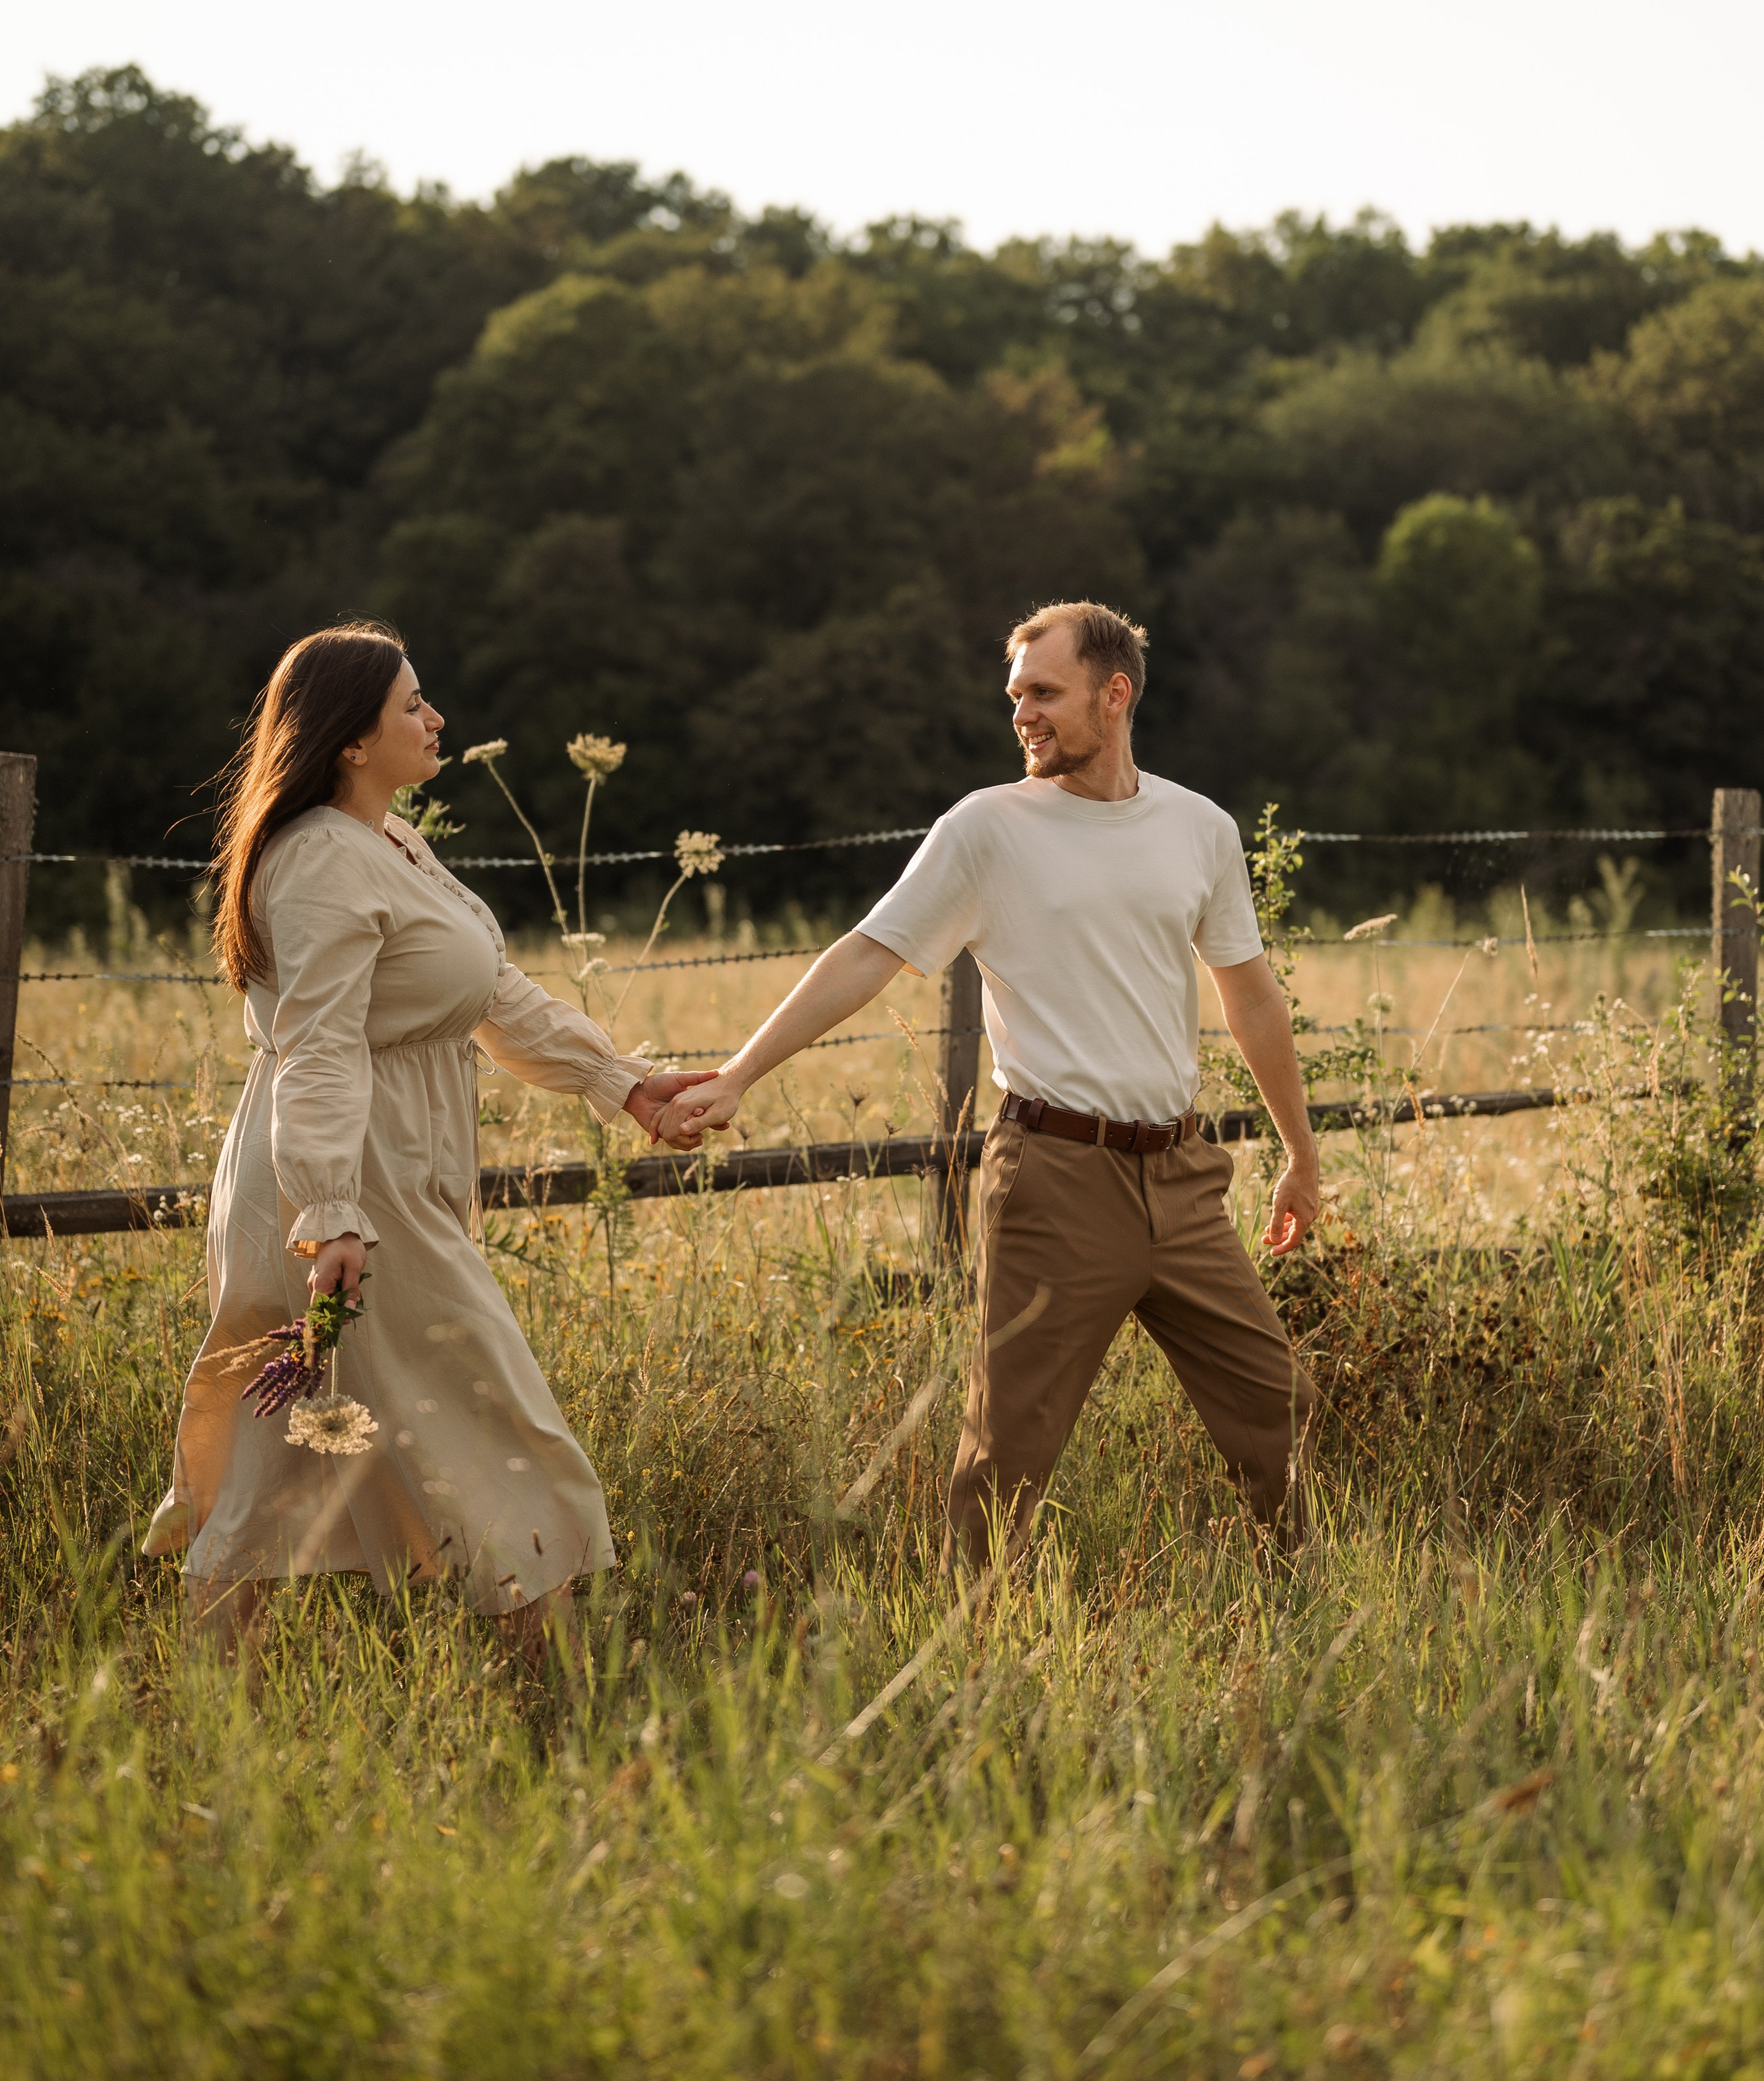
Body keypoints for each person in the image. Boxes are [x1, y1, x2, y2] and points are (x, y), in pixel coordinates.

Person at [660, 600, 1320, 1571]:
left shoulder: (1200, 828)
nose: (1024, 715)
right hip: (1055, 1176)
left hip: (1181, 1177)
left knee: (1278, 1402)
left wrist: (1300, 1152)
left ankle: (1297, 1590)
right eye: (1017, 697)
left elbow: (1252, 998)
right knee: (1011, 1447)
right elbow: (867, 954)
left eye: (1046, 693)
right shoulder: (988, 828)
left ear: (1116, 692)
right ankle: (977, 1644)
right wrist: (742, 1073)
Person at [144, 622, 705, 1658]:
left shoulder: (387, 841)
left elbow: (492, 996)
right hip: (350, 1187)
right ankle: (557, 1704)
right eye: (412, 703)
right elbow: (315, 1048)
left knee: (284, 1464)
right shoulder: (319, 859)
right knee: (496, 1427)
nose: (435, 718)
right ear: (352, 738)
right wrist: (329, 1214)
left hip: (374, 1178)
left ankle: (220, 1710)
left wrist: (626, 1084)